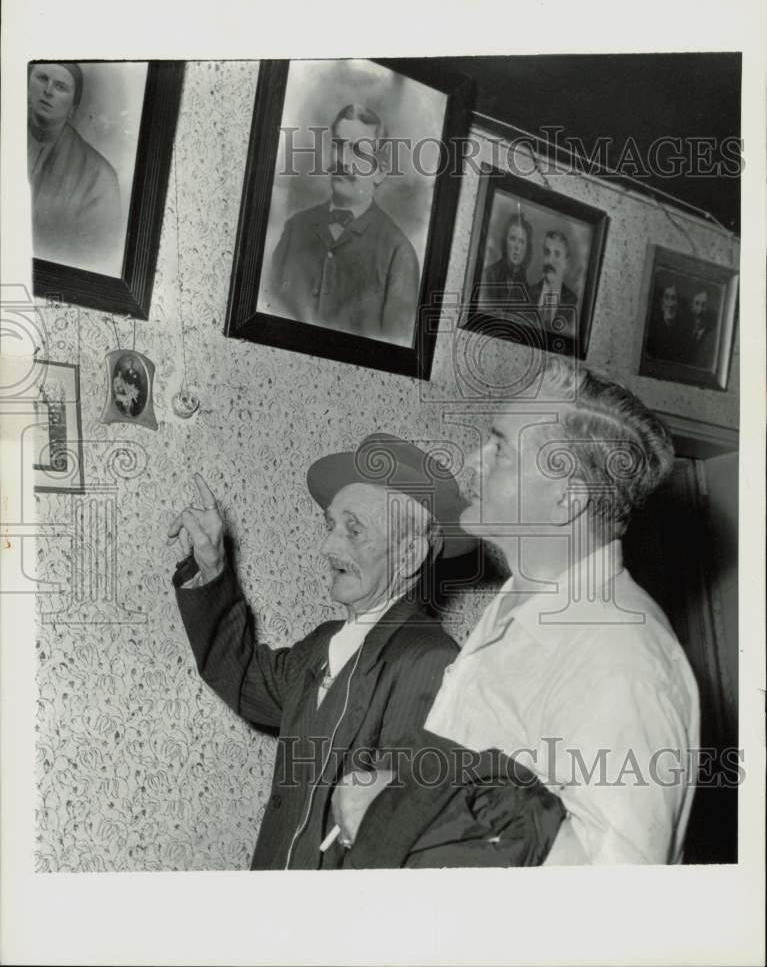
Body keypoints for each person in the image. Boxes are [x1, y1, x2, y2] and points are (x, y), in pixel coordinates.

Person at [335, 359, 700, 867]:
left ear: (565, 498)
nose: (474, 458)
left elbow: (615, 910)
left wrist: (399, 812)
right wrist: (404, 795)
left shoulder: (620, 657)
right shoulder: (517, 605)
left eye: (500, 448)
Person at [167, 433, 475, 870]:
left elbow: (402, 842)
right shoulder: (325, 642)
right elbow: (241, 676)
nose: (327, 546)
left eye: (354, 529)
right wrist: (213, 567)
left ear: (409, 556)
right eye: (331, 525)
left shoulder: (431, 660)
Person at [267, 104, 420, 346]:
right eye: (338, 146)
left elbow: (396, 351)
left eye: (358, 152)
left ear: (379, 172)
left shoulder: (399, 254)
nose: (342, 160)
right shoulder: (295, 228)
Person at [27, 62, 122, 267]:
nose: (48, 90)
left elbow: (95, 261)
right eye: (42, 78)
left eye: (60, 86)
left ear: (73, 109)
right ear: (27, 88)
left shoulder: (99, 178)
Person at [475, 212, 534, 313]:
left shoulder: (527, 289)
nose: (517, 247)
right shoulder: (489, 275)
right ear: (505, 242)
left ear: (527, 248)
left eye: (521, 241)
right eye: (512, 238)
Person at [531, 230, 579, 332]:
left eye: (557, 254)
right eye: (547, 252)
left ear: (566, 262)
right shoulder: (528, 293)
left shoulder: (573, 302)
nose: (549, 260)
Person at [645, 282, 686, 362]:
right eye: (666, 297)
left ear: (678, 303)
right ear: (662, 301)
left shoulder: (683, 329)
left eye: (673, 298)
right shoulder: (653, 325)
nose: (670, 303)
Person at [683, 288, 718, 369]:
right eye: (697, 303)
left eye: (704, 305)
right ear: (691, 305)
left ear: (708, 308)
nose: (700, 310)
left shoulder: (712, 338)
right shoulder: (682, 330)